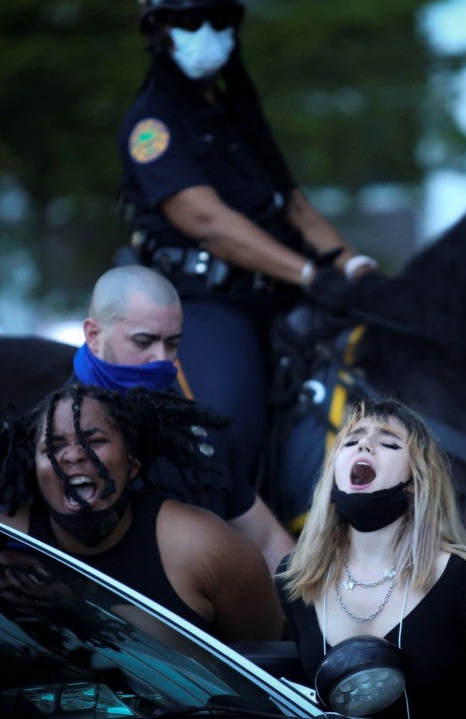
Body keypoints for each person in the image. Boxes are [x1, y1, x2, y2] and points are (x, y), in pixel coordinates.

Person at [118, 0, 380, 499]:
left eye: (220, 19)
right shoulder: (150, 124)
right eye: (190, 21)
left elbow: (293, 202)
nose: (208, 32)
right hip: (210, 303)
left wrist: (355, 267)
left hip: (281, 295)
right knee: (227, 436)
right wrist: (310, 274)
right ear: (159, 32)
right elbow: (209, 222)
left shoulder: (237, 109)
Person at [0, 383, 284, 645]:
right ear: (35, 470)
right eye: (53, 447)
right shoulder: (0, 544)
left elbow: (271, 657)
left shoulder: (206, 548)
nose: (72, 455)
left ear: (132, 464)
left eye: (94, 440)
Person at [276, 399, 466, 719]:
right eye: (352, 441)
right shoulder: (295, 577)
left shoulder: (458, 578)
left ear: (415, 482)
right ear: (333, 473)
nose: (365, 446)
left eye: (388, 443)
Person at [73, 264, 295, 571]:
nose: (162, 360)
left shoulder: (199, 428)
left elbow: (268, 540)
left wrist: (312, 607)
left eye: (173, 343)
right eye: (143, 342)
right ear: (94, 336)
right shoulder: (56, 435)